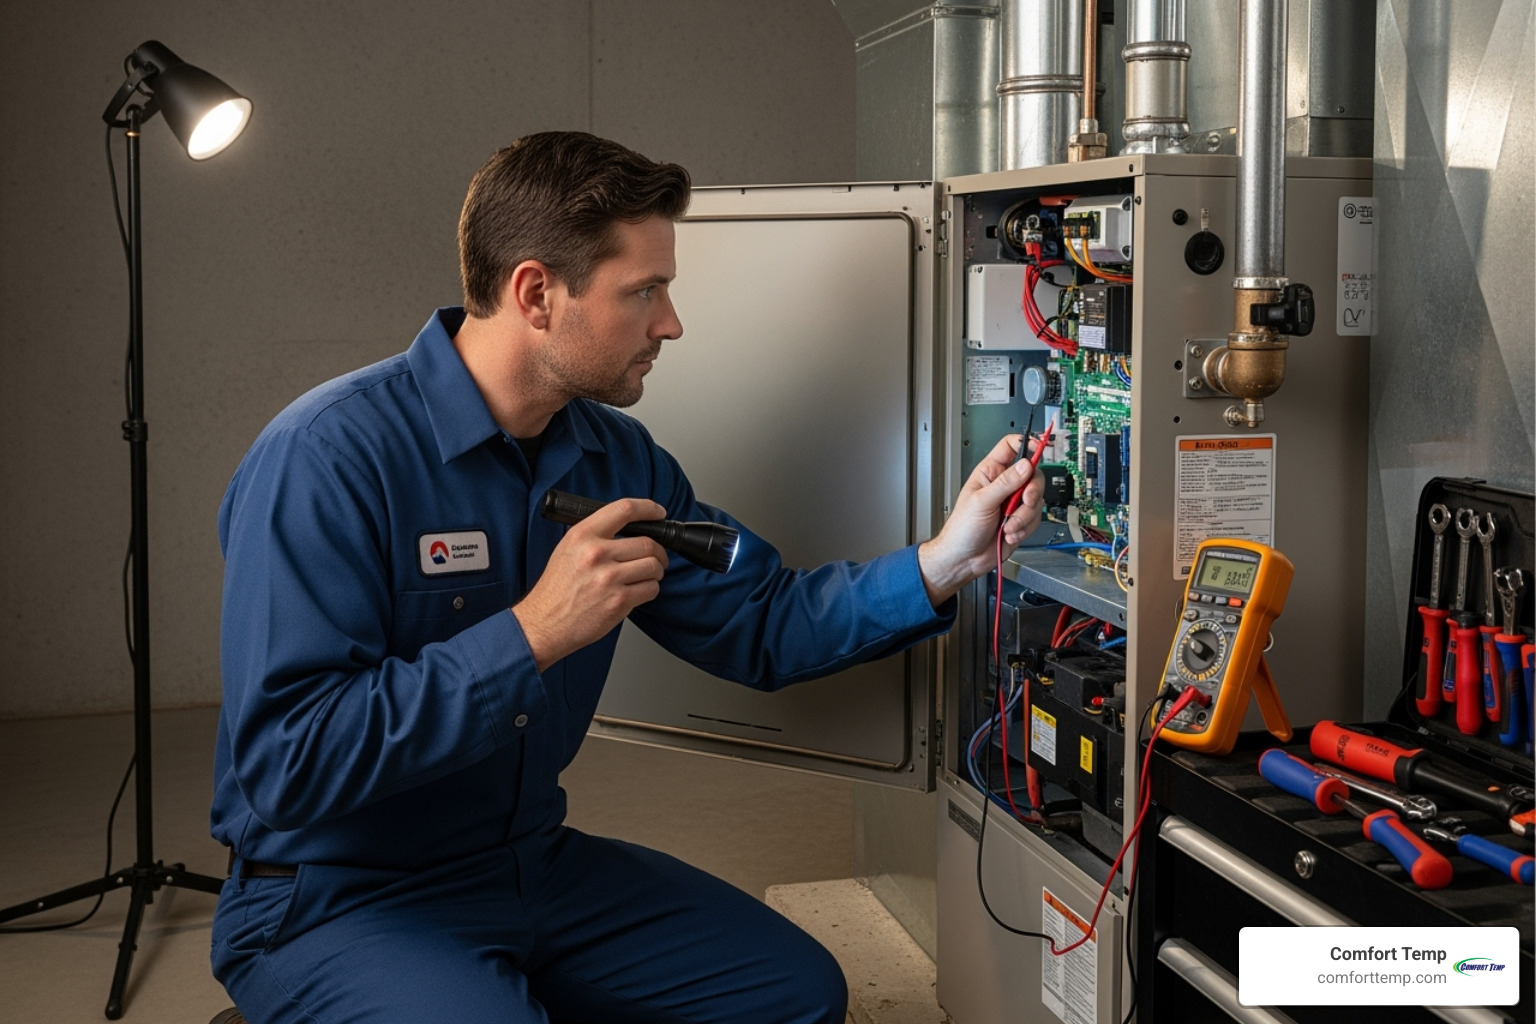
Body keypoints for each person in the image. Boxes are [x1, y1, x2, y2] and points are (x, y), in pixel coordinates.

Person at [211, 131, 1045, 1024]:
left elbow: (761, 621)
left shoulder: (615, 460)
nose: (671, 323)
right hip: (337, 899)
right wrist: (531, 634)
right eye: (644, 291)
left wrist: (947, 558)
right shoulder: (328, 457)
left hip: (528, 866)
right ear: (536, 293)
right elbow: (286, 763)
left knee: (795, 996)